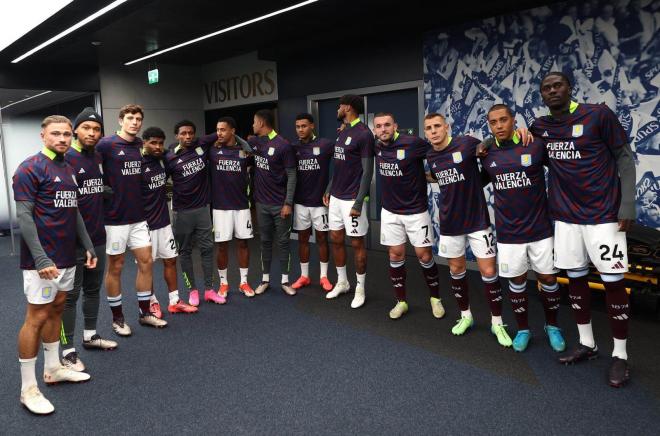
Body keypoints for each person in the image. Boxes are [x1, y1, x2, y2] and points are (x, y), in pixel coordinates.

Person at [531, 72, 636, 387]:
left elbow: (624, 157)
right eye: (546, 88)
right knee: (574, 279)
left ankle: (620, 355)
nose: (552, 91)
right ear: (542, 95)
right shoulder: (540, 127)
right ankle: (587, 344)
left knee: (613, 282)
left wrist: (627, 205)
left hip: (604, 216)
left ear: (569, 88)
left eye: (557, 85)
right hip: (565, 218)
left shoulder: (598, 115)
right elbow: (519, 145)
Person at [13, 115, 95, 414]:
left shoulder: (69, 167)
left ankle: (53, 369)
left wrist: (86, 245)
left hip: (66, 255)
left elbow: (73, 212)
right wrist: (40, 258)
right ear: (43, 135)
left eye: (66, 134)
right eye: (56, 134)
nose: (62, 138)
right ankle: (28, 388)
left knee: (58, 307)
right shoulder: (29, 168)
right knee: (36, 316)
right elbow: (24, 216)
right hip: (42, 260)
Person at [480, 104, 565, 353]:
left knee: (548, 278)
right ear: (489, 126)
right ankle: (524, 329)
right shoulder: (486, 155)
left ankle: (552, 326)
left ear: (513, 120)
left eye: (503, 120)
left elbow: (563, 169)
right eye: (493, 122)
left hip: (540, 230)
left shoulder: (535, 145)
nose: (499, 126)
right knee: (516, 281)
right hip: (509, 234)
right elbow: (474, 182)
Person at [424, 113, 511, 347]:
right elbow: (439, 179)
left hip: (477, 220)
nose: (433, 131)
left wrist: (488, 145)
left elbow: (492, 143)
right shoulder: (431, 156)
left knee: (489, 271)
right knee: (456, 268)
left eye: (437, 126)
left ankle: (497, 322)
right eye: (428, 128)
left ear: (446, 127)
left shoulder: (466, 143)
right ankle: (466, 316)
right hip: (450, 222)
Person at [97, 104, 166, 335]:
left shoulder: (140, 145)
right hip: (115, 218)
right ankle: (117, 319)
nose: (134, 122)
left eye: (138, 118)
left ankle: (145, 313)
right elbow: (82, 160)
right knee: (116, 266)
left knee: (146, 262)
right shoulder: (106, 144)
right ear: (120, 120)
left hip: (138, 217)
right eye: (130, 118)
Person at [60, 108, 118, 373]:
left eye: (96, 129)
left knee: (93, 290)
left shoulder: (95, 157)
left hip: (98, 236)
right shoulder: (66, 159)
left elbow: (92, 188)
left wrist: (104, 191)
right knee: (69, 297)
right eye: (87, 128)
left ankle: (91, 335)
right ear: (76, 130)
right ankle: (67, 351)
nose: (92, 133)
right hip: (71, 243)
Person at [372, 113, 445, 320]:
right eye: (379, 126)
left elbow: (439, 152)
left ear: (395, 126)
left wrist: (433, 177)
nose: (383, 129)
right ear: (375, 129)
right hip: (390, 212)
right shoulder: (376, 145)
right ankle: (401, 302)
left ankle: (435, 298)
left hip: (416, 211)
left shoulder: (413, 143)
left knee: (425, 255)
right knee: (395, 255)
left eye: (387, 125)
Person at [239, 109, 297, 296]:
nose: (253, 125)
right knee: (264, 242)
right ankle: (265, 280)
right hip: (261, 204)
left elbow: (292, 175)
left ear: (262, 123)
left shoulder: (283, 145)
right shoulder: (254, 142)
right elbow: (241, 144)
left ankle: (285, 281)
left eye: (255, 122)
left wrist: (288, 203)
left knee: (283, 243)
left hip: (280, 204)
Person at [324, 95, 374, 308]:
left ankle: (360, 288)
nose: (337, 109)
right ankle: (342, 281)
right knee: (335, 238)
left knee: (357, 243)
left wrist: (358, 202)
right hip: (336, 197)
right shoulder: (343, 131)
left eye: (339, 106)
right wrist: (329, 189)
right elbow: (340, 166)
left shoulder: (364, 133)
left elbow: (367, 172)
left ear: (347, 107)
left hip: (352, 198)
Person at [141, 127, 198, 314]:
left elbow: (174, 149)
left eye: (160, 143)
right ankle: (151, 302)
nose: (158, 147)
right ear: (144, 143)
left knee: (171, 261)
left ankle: (174, 300)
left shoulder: (163, 160)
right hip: (144, 225)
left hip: (164, 223)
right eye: (153, 143)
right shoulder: (138, 163)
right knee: (146, 266)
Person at [165, 120, 218, 305]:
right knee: (185, 251)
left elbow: (223, 131)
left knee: (207, 249)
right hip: (182, 212)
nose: (187, 137)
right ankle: (192, 290)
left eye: (190, 133)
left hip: (203, 209)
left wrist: (246, 143)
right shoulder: (170, 156)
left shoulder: (202, 145)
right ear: (177, 136)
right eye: (183, 133)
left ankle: (210, 289)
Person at [209, 117, 255, 300]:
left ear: (233, 131)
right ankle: (223, 283)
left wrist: (241, 141)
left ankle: (244, 281)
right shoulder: (212, 151)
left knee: (243, 243)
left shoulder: (243, 151)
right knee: (222, 246)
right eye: (217, 129)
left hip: (242, 206)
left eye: (223, 130)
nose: (219, 133)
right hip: (220, 207)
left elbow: (252, 151)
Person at [290, 113, 334, 292]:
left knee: (323, 239)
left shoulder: (325, 144)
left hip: (320, 203)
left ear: (312, 126)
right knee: (302, 240)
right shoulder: (293, 147)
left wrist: (331, 187)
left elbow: (343, 161)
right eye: (298, 127)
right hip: (300, 203)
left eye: (304, 126)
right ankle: (304, 276)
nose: (300, 130)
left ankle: (324, 277)